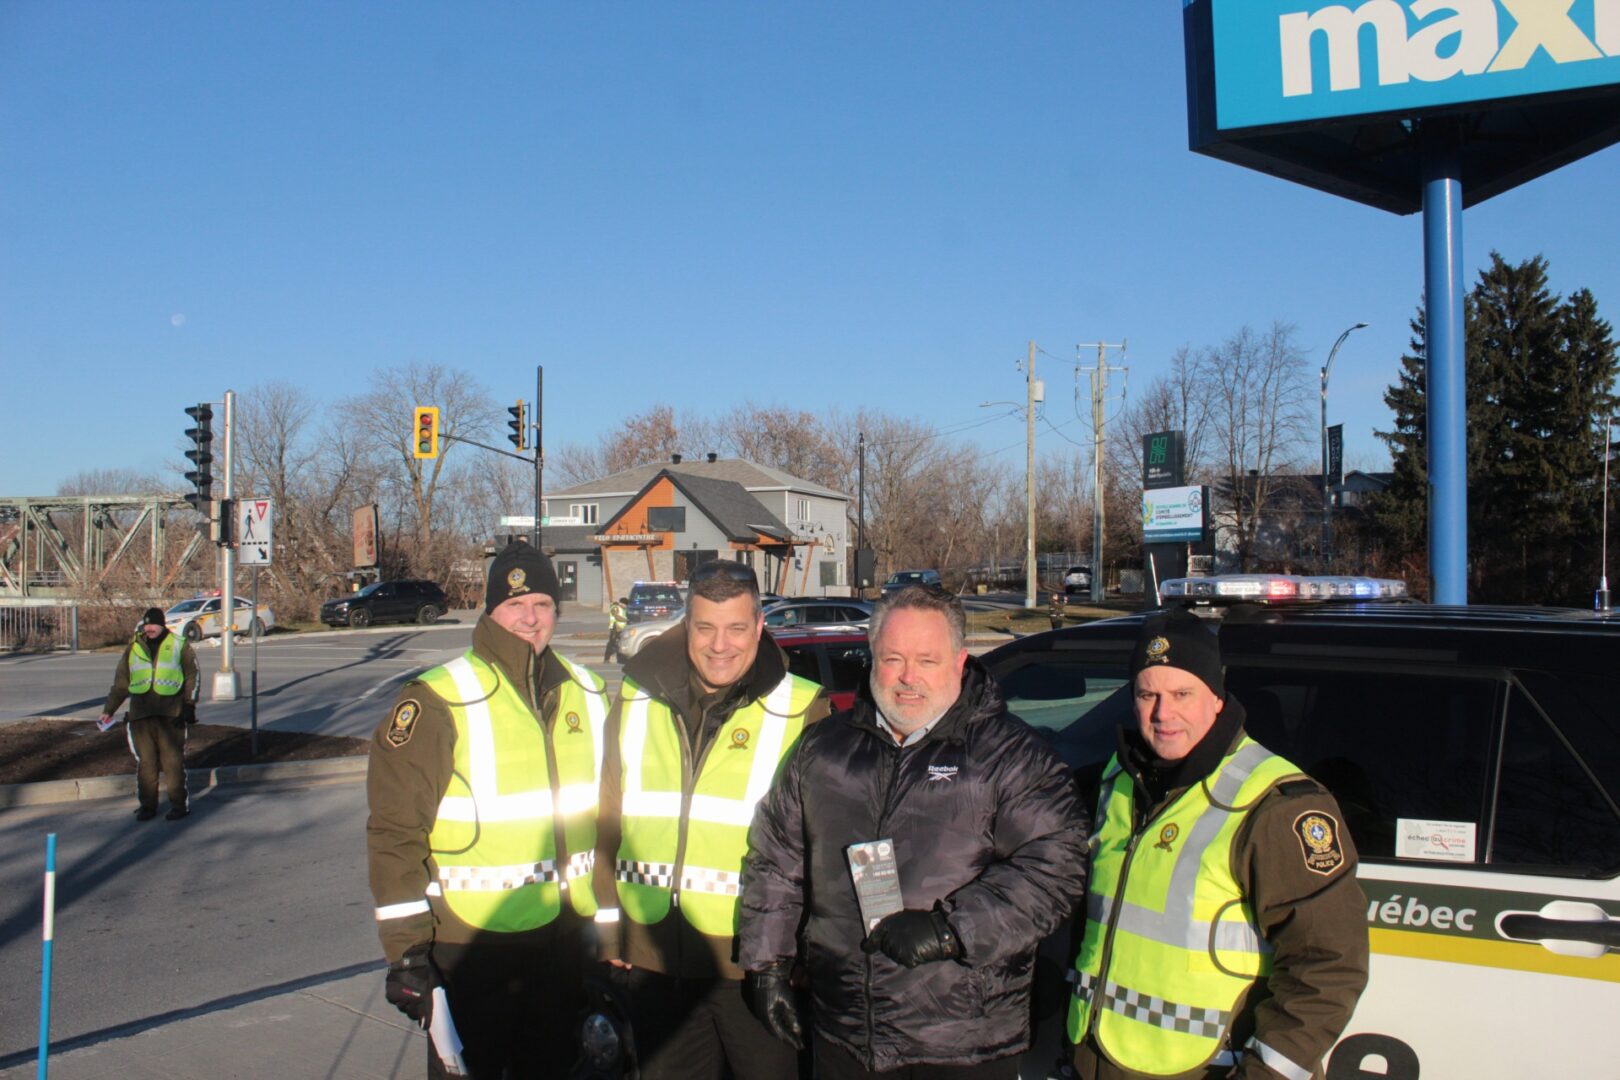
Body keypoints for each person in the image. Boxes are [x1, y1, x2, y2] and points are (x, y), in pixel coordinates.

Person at [738, 585, 1089, 1079]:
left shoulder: (1011, 758)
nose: (908, 678)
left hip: (962, 1041)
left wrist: (953, 929)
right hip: (845, 1032)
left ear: (960, 660)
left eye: (927, 660)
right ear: (871, 655)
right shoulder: (824, 749)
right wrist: (768, 964)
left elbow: (1056, 866)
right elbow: (776, 859)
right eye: (892, 658)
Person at [1065, 607, 1369, 1080]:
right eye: (1148, 695)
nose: (1163, 714)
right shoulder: (1117, 780)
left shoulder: (1275, 804)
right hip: (1099, 1060)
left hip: (1211, 1069)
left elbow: (1327, 966)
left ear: (1217, 699)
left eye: (1183, 693)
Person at [366, 541, 610, 1080]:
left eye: (542, 604)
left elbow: (614, 822)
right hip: (471, 948)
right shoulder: (437, 699)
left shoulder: (589, 692)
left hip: (567, 943)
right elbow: (394, 834)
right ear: (491, 612)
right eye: (515, 605)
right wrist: (406, 953)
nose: (530, 618)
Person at [592, 560, 829, 1080]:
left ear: (760, 628)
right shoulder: (636, 698)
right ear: (686, 626)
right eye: (705, 627)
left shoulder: (803, 709)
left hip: (756, 966)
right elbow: (607, 821)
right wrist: (612, 938)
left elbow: (822, 850)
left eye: (736, 628)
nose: (720, 645)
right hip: (654, 959)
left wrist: (803, 957)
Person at [100, 606, 200, 821]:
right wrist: (108, 710)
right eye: (146, 624)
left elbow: (192, 676)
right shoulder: (133, 648)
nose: (149, 628)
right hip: (141, 715)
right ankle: (147, 806)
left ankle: (179, 805)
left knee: (172, 762)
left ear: (162, 624)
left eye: (153, 624)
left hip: (170, 714)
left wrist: (189, 705)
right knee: (146, 763)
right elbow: (120, 684)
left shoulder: (179, 645)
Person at [606, 596, 629, 662]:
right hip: (615, 628)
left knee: (621, 643)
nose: (625, 606)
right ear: (622, 603)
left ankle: (620, 658)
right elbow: (617, 617)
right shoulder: (615, 608)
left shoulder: (622, 609)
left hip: (621, 629)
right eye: (625, 605)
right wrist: (626, 620)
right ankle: (606, 659)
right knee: (611, 644)